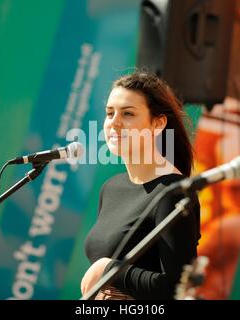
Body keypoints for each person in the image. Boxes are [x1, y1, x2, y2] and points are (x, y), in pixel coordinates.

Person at [82, 71, 201, 300]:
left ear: (158, 123)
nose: (114, 122)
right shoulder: (111, 188)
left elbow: (177, 289)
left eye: (127, 113)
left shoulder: (173, 193)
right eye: (109, 113)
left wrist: (108, 270)